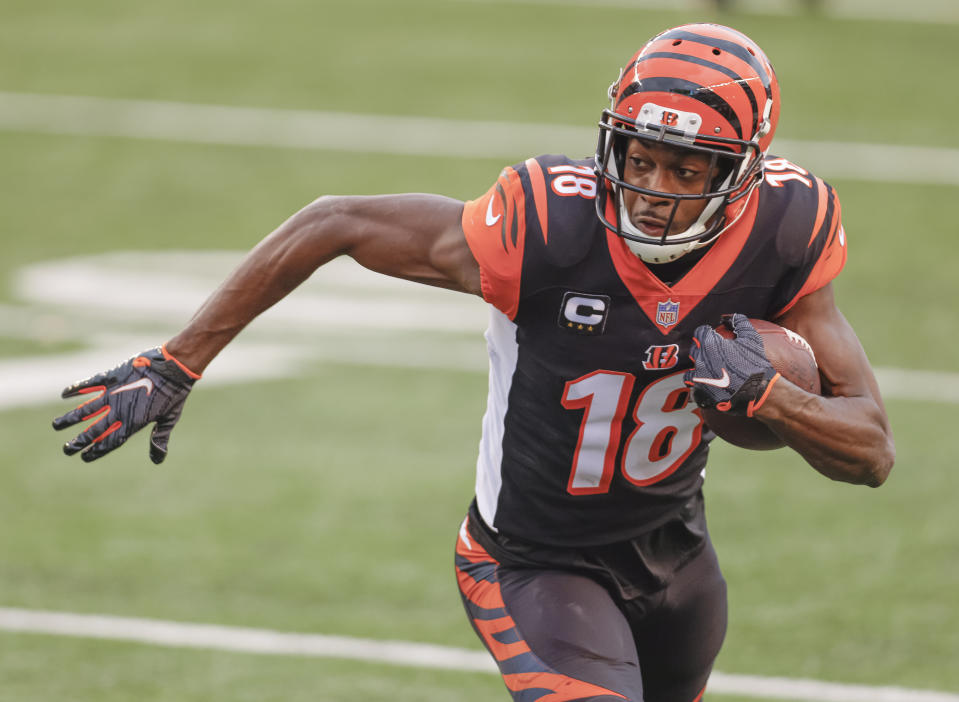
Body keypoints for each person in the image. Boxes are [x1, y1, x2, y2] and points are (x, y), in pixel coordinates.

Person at [52, 23, 894, 702]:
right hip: (532, 560)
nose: (651, 188)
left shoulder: (785, 233)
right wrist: (177, 362)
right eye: (638, 157)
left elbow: (871, 452)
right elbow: (334, 222)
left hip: (676, 556)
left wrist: (771, 399)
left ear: (742, 174)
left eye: (685, 167)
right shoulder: (545, 229)